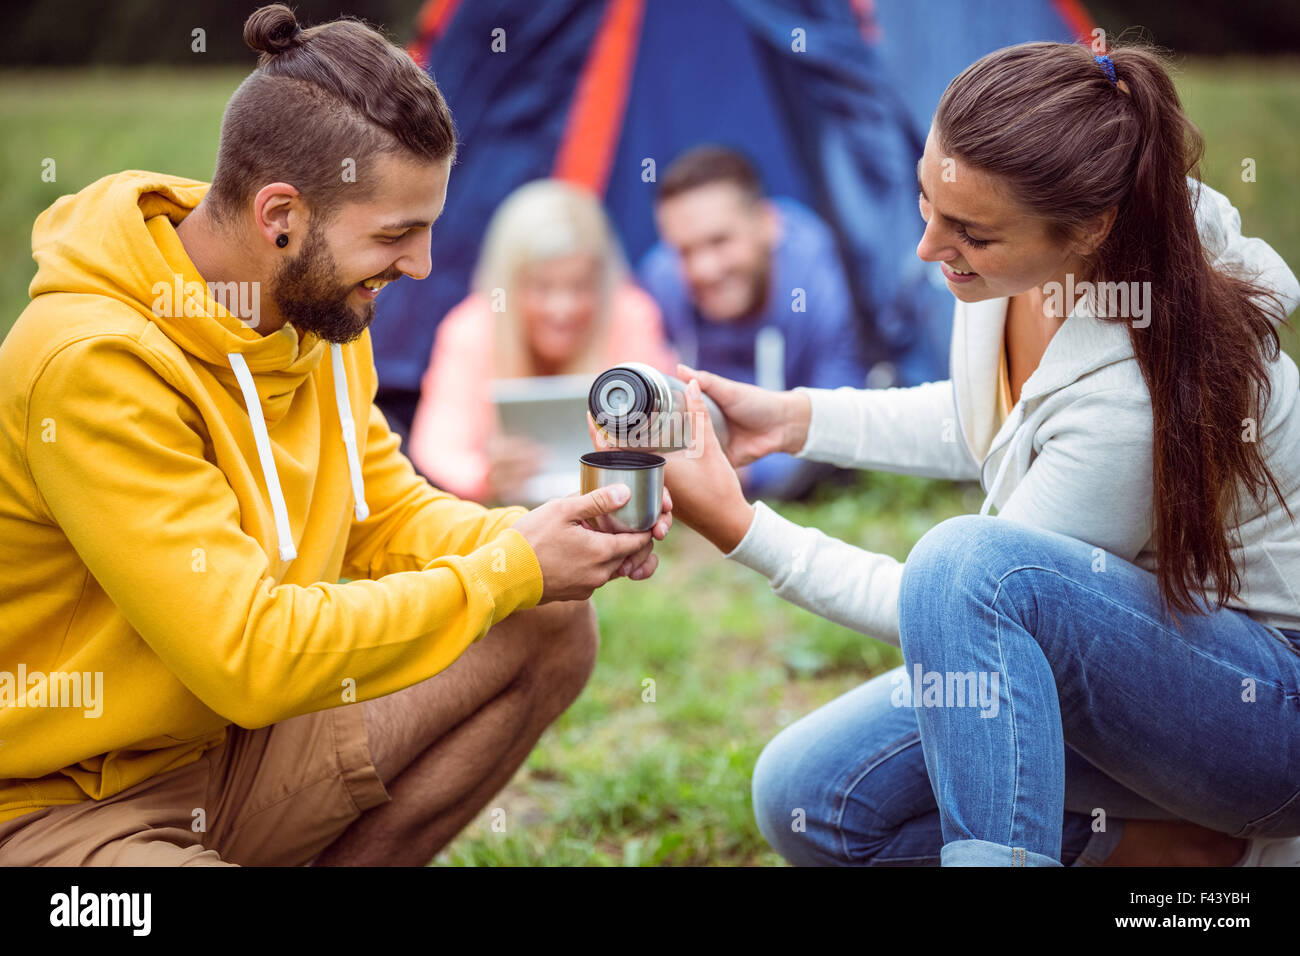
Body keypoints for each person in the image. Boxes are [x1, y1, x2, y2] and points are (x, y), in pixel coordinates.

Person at [0, 4, 672, 867]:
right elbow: (248, 654)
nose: (422, 266)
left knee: (546, 623)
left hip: (237, 751)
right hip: (59, 805)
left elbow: (387, 519)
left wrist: (542, 542)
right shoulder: (90, 366)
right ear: (280, 215)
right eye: (396, 234)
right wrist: (509, 568)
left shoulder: (318, 319)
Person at [602, 41, 1300, 866]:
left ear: (1092, 229)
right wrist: (794, 419)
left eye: (969, 230)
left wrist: (744, 529)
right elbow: (989, 418)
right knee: (804, 798)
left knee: (967, 565)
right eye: (927, 200)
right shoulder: (1021, 267)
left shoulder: (1133, 392)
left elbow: (963, 605)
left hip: (1261, 717)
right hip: (1116, 662)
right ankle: (1158, 849)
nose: (930, 247)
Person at [407, 179, 676, 504]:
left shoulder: (630, 314)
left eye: (579, 286)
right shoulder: (471, 329)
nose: (561, 309)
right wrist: (485, 477)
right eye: (541, 287)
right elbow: (438, 447)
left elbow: (669, 429)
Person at [638, 146, 866, 500]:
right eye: (684, 251)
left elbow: (841, 418)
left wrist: (745, 470)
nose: (704, 270)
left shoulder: (820, 282)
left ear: (768, 225)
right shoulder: (661, 279)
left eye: (719, 241)